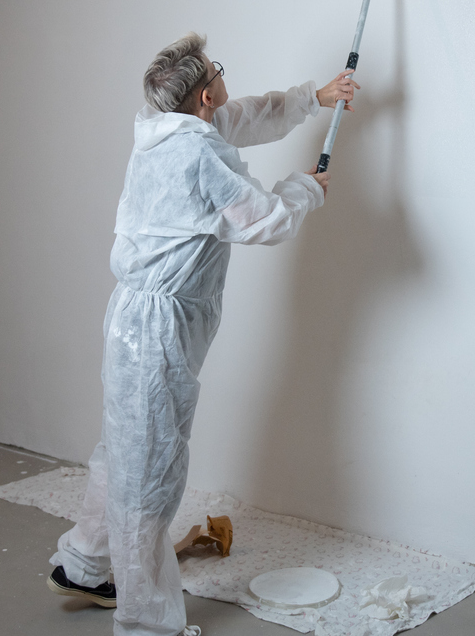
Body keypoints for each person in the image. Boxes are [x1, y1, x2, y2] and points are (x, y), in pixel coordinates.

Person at [47, 33, 358, 636]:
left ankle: (84, 563)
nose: (222, 80)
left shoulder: (165, 128)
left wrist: (313, 98)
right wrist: (305, 191)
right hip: (157, 331)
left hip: (132, 318)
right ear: (205, 94)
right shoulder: (196, 156)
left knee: (124, 449)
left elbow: (240, 119)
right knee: (150, 473)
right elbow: (262, 220)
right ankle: (146, 622)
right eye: (217, 73)